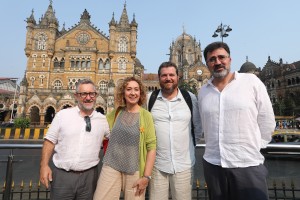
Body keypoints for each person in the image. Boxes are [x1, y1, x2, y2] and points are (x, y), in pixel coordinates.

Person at [198, 42, 276, 200]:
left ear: (230, 59)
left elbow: (267, 119)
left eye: (221, 57)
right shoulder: (202, 92)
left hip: (247, 164)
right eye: (212, 59)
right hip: (213, 165)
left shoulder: (251, 82)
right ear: (207, 64)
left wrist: (254, 146)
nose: (218, 62)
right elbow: (202, 124)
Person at [39, 79, 110, 200]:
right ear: (76, 96)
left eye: (91, 94)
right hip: (63, 176)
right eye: (83, 94)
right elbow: (50, 141)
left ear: (96, 95)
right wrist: (44, 165)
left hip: (90, 177)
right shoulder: (63, 115)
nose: (88, 98)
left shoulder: (102, 120)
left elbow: (115, 139)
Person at [93, 77, 156, 200]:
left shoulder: (146, 116)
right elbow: (98, 126)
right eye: (129, 89)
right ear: (123, 93)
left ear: (140, 93)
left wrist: (146, 177)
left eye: (136, 90)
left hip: (135, 169)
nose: (133, 93)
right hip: (111, 165)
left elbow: (152, 147)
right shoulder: (116, 112)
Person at [148, 61, 202, 200]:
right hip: (157, 165)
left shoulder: (190, 98)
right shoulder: (150, 99)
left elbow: (197, 127)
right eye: (164, 75)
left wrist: (187, 147)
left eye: (172, 75)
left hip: (184, 165)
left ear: (178, 77)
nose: (168, 78)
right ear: (159, 78)